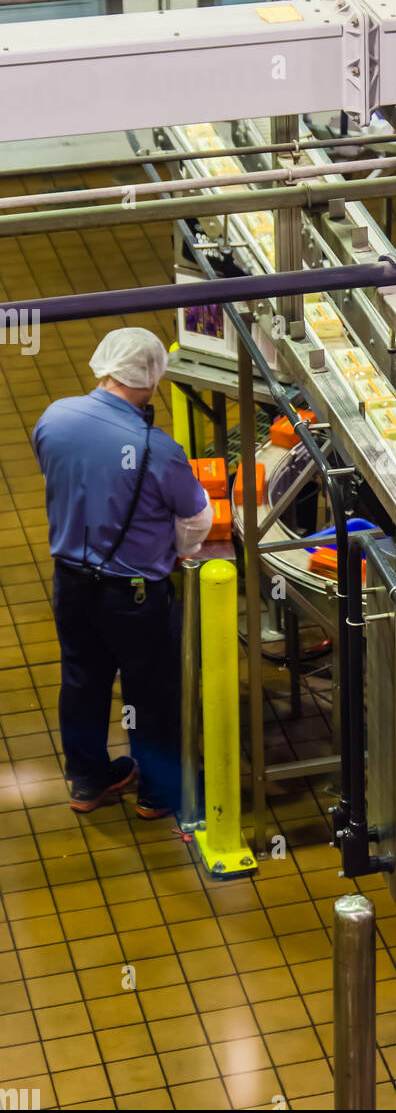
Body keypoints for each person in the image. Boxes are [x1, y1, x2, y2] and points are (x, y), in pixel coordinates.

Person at [33, 328, 213, 818]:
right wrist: (174, 550)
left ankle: (88, 782)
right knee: (150, 692)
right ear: (153, 377)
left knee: (82, 682)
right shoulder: (157, 448)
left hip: (70, 584)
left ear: (103, 365)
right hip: (135, 597)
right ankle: (156, 793)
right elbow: (197, 518)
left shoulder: (54, 418)